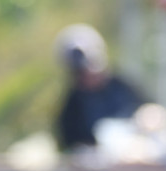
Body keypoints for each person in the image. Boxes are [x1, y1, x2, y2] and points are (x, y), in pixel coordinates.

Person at [55, 24, 146, 152]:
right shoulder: (72, 107)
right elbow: (69, 144)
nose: (89, 75)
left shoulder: (122, 87)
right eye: (80, 72)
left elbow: (149, 110)